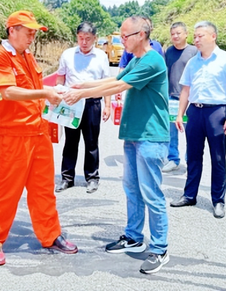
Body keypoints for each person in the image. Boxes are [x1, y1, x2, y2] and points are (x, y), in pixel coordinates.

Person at [64, 16, 170, 275]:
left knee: (151, 193)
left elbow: (120, 86)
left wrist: (81, 94)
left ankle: (159, 248)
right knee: (132, 189)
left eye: (125, 36)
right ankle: (133, 237)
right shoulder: (135, 60)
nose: (121, 42)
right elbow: (107, 82)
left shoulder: (153, 60)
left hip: (151, 137)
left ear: (141, 35)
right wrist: (78, 85)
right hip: (134, 135)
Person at [0, 11, 78, 266]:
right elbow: (9, 92)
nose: (32, 37)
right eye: (29, 32)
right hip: (14, 135)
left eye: (35, 32)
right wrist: (46, 91)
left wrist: (49, 98)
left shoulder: (27, 56)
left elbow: (33, 94)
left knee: (44, 190)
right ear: (12, 30)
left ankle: (51, 235)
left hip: (38, 133)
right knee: (6, 190)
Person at [171, 21, 226, 220]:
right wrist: (179, 114)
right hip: (195, 111)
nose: (196, 40)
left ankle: (218, 201)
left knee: (218, 158)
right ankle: (189, 195)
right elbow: (185, 89)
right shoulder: (193, 62)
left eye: (200, 36)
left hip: (217, 113)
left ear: (213, 36)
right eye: (195, 36)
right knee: (193, 155)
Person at [55, 22, 111, 194]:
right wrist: (59, 95)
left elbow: (107, 83)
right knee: (70, 142)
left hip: (92, 103)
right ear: (77, 37)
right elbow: (60, 78)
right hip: (71, 103)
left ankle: (92, 178)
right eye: (80, 38)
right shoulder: (68, 54)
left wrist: (107, 105)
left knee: (91, 142)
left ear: (95, 38)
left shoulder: (101, 56)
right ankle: (67, 178)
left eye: (88, 39)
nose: (84, 42)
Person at [162, 22, 198, 173]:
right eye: (172, 34)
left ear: (186, 34)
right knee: (171, 132)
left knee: (191, 131)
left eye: (178, 33)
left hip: (190, 99)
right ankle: (173, 159)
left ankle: (190, 160)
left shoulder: (194, 51)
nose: (175, 36)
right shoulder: (168, 51)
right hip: (172, 98)